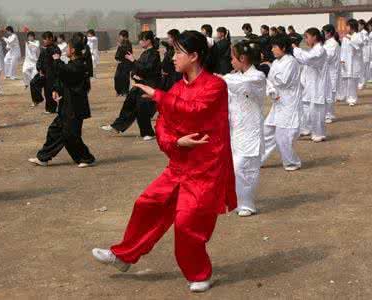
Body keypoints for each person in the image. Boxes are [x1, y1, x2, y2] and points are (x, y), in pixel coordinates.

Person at [92, 30, 236, 293]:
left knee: (186, 223)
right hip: (179, 165)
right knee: (147, 204)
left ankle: (199, 273)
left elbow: (195, 111)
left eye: (178, 52)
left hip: (206, 169)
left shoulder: (216, 86)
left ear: (194, 56)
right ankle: (124, 255)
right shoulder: (177, 88)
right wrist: (174, 143)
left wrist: (158, 95)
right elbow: (164, 125)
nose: (173, 57)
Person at [28, 36, 95, 168]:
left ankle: (86, 158)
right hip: (67, 105)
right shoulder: (71, 64)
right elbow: (62, 78)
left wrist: (57, 61)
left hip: (75, 106)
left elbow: (67, 73)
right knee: (55, 130)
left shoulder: (80, 64)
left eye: (68, 48)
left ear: (73, 50)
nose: (66, 50)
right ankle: (43, 157)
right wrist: (56, 90)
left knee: (70, 135)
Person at [222, 41, 266, 217]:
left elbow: (242, 84)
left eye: (233, 57)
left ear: (242, 58)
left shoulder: (257, 77)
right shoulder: (234, 76)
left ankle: (247, 204)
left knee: (244, 167)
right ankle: (238, 200)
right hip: (236, 128)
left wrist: (221, 78)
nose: (231, 61)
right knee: (234, 167)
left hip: (250, 130)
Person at [101, 31, 161, 141]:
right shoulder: (145, 53)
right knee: (128, 104)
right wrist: (135, 74)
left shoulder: (154, 54)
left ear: (148, 41)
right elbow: (138, 68)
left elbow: (147, 69)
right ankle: (117, 126)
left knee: (142, 109)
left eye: (141, 40)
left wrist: (133, 61)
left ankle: (148, 133)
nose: (140, 42)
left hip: (148, 85)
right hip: (140, 84)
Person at [262, 35, 302, 171]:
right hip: (278, 103)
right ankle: (258, 160)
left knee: (282, 136)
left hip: (288, 103)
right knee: (266, 131)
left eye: (275, 47)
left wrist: (269, 74)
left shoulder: (291, 62)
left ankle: (292, 162)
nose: (272, 50)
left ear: (283, 48)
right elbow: (272, 81)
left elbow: (283, 81)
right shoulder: (277, 62)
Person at [293, 27, 330, 143]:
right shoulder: (313, 50)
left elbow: (307, 59)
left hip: (317, 85)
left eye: (307, 37)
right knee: (306, 107)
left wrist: (296, 49)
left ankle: (319, 133)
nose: (306, 40)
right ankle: (306, 128)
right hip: (310, 85)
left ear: (314, 37)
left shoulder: (320, 50)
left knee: (316, 110)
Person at [30, 31, 60, 112]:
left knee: (49, 91)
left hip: (51, 74)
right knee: (33, 83)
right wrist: (39, 69)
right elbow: (39, 60)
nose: (44, 41)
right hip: (42, 73)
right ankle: (38, 99)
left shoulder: (55, 49)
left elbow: (57, 61)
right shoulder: (44, 49)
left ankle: (51, 109)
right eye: (43, 39)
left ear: (50, 39)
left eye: (45, 39)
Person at [340, 19, 363, 106]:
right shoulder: (346, 37)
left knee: (353, 81)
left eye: (347, 26)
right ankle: (347, 97)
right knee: (346, 81)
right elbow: (343, 50)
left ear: (352, 27)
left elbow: (359, 45)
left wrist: (349, 38)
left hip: (354, 62)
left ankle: (352, 99)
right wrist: (341, 59)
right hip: (346, 62)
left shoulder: (358, 35)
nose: (346, 27)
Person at [322, 24, 341, 123]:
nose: (323, 34)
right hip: (329, 72)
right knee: (328, 93)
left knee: (329, 94)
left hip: (331, 72)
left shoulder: (332, 44)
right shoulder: (328, 43)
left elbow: (328, 57)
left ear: (328, 33)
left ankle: (328, 115)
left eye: (324, 32)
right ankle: (330, 113)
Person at [114, 30, 133, 96]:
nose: (120, 37)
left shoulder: (128, 43)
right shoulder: (121, 43)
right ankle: (119, 91)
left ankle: (125, 91)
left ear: (124, 36)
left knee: (125, 77)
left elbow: (128, 52)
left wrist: (120, 46)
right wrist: (117, 58)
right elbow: (118, 52)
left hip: (126, 63)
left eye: (120, 36)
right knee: (117, 77)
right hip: (121, 63)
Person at [358, 19, 370, 90]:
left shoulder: (364, 33)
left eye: (359, 25)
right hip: (364, 53)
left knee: (362, 69)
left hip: (365, 53)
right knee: (363, 68)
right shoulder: (361, 33)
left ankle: (361, 83)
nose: (358, 27)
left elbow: (362, 42)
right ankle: (363, 83)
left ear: (362, 25)